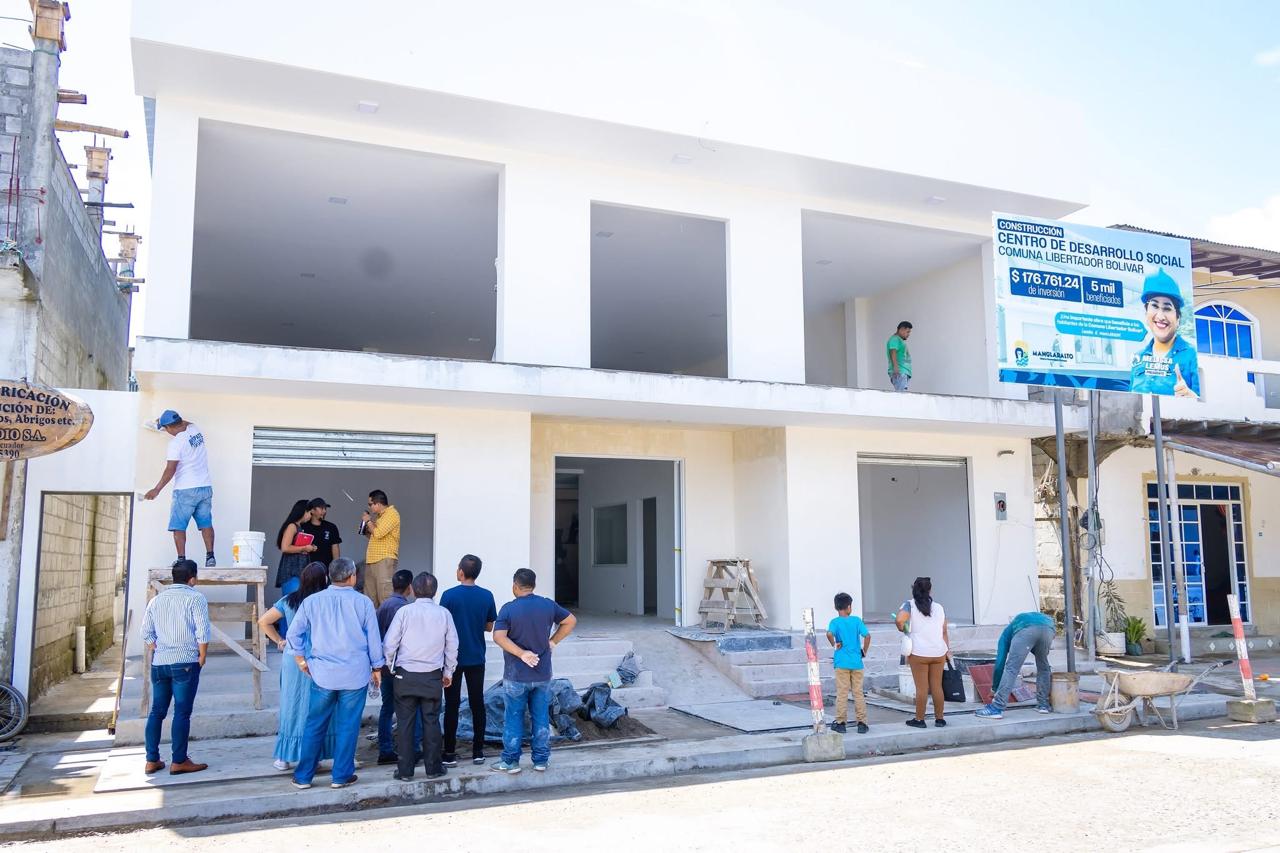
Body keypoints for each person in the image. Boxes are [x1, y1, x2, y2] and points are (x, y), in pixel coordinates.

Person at [285, 557, 384, 790]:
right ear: (352, 577)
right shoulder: (363, 602)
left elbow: (293, 634)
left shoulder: (312, 601)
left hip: (323, 674)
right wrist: (377, 668)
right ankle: (340, 776)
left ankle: (303, 777)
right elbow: (374, 639)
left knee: (315, 725)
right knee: (348, 727)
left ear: (330, 577)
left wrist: (301, 660)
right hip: (355, 674)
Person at [491, 568, 576, 774]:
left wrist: (521, 654)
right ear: (533, 585)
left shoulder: (508, 609)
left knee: (514, 717)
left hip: (516, 676)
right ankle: (541, 760)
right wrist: (553, 641)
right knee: (540, 717)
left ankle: (511, 761)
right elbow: (570, 621)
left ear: (515, 586)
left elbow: (498, 637)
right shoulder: (547, 605)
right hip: (542, 674)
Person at [383, 572, 458, 781]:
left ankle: (405, 771)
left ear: (413, 590)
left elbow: (389, 643)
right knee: (431, 722)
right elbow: (452, 646)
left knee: (405, 724)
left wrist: (390, 665)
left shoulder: (404, 612)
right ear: (435, 592)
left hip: (405, 676)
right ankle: (433, 768)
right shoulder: (444, 614)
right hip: (432, 677)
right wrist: (448, 672)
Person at [258, 562, 334, 771]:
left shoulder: (288, 600)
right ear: (324, 579)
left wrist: (279, 640)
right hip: (318, 658)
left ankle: (284, 757)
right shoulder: (325, 602)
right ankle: (314, 755)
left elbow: (263, 621)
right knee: (317, 707)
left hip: (293, 659)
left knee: (291, 704)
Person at [140, 559, 210, 776]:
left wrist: (159, 648)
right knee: (182, 712)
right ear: (193, 578)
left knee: (157, 712)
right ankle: (179, 761)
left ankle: (151, 760)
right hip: (186, 662)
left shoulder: (157, 600)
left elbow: (145, 632)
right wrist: (202, 656)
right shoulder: (196, 598)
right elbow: (202, 631)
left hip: (160, 663)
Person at [440, 554, 497, 766]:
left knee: (451, 704)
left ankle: (449, 753)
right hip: (476, 656)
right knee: (477, 703)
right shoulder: (487, 595)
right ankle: (478, 751)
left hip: (452, 658)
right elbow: (489, 626)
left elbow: (442, 625)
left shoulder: (448, 595)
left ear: (461, 572)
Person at [144, 410, 217, 567]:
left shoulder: (175, 444)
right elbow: (186, 423)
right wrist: (162, 424)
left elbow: (170, 470)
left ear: (169, 427)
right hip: (205, 487)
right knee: (206, 523)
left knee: (178, 526)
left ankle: (181, 560)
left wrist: (156, 489)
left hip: (185, 490)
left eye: (165, 428)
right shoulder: (194, 429)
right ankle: (210, 557)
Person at [1129, 269, 1200, 398]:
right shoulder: (1138, 357)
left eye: (1167, 308)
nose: (1160, 316)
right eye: (1154, 306)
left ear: (1178, 318)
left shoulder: (1193, 355)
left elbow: (1205, 402)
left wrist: (1190, 396)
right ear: (1146, 313)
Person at [375, 569, 421, 766]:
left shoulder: (383, 606)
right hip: (403, 666)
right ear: (410, 587)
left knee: (387, 708)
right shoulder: (406, 609)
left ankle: (385, 749)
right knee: (412, 707)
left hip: (385, 666)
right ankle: (413, 749)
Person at [975, 611, 1056, 719]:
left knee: (1011, 669)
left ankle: (996, 708)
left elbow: (999, 664)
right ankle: (1043, 705)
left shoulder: (1005, 635)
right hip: (1049, 629)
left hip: (1028, 629)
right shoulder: (1034, 620)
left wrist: (994, 688)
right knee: (1043, 666)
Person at [895, 576, 949, 729]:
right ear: (930, 590)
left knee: (922, 688)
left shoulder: (909, 605)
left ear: (914, 589)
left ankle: (920, 719)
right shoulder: (939, 607)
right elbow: (944, 630)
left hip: (919, 653)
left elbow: (899, 620)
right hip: (938, 651)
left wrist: (903, 628)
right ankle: (940, 719)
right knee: (937, 686)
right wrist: (947, 650)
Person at [826, 592, 871, 734]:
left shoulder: (834, 622)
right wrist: (864, 651)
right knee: (858, 693)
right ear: (849, 607)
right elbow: (867, 636)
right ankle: (862, 723)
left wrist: (834, 644)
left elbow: (829, 633)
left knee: (842, 693)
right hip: (856, 662)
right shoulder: (856, 621)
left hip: (841, 663)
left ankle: (841, 723)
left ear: (836, 607)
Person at [360, 490, 401, 607]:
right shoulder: (380, 517)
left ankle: (387, 619)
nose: (369, 507)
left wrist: (368, 521)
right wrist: (365, 530)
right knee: (370, 598)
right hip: (372, 560)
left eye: (370, 504)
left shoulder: (391, 514)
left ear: (378, 504)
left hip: (384, 559)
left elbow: (378, 533)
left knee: (385, 596)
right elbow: (375, 536)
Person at [275, 500, 319, 597]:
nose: (311, 516)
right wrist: (304, 548)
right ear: (304, 511)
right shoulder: (292, 526)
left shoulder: (299, 527)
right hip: (291, 571)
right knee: (292, 600)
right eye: (310, 513)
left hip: (299, 571)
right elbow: (285, 547)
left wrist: (310, 548)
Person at [299, 497, 343, 567]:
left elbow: (335, 549)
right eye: (321, 508)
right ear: (312, 510)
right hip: (306, 569)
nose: (324, 511)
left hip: (326, 570)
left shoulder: (331, 527)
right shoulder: (303, 527)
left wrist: (336, 568)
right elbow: (298, 549)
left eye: (325, 508)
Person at [886, 321, 913, 391]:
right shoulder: (895, 339)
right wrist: (895, 367)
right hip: (900, 372)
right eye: (907, 332)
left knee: (902, 393)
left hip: (902, 372)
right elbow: (893, 351)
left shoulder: (898, 340)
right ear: (901, 329)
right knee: (901, 394)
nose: (909, 334)